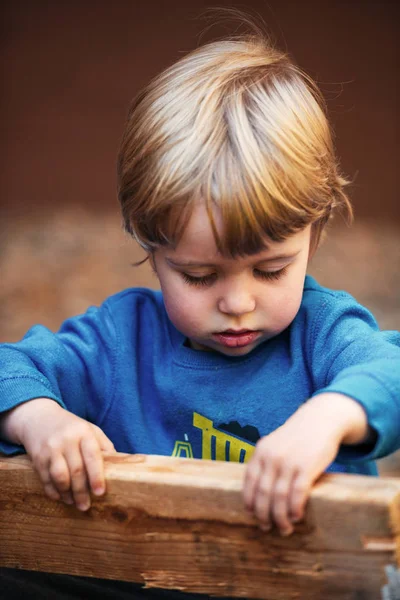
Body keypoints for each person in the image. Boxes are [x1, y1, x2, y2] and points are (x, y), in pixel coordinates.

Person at [1, 24, 400, 550]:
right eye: (199, 276)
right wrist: (39, 418)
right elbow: (11, 367)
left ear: (315, 234)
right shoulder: (122, 341)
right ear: (150, 247)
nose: (237, 303)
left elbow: (390, 373)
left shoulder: (322, 335)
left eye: (271, 270)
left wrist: (328, 418)